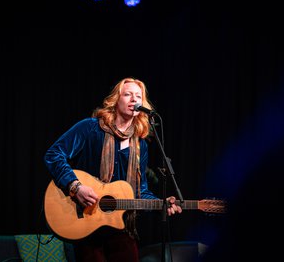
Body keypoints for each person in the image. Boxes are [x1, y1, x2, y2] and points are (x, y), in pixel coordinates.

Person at [44, 77, 182, 262]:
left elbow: (140, 192)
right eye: (128, 94)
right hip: (86, 224)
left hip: (121, 227)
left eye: (138, 96)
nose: (134, 99)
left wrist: (161, 203)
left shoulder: (140, 144)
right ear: (116, 100)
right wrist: (75, 186)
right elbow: (54, 154)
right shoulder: (90, 128)